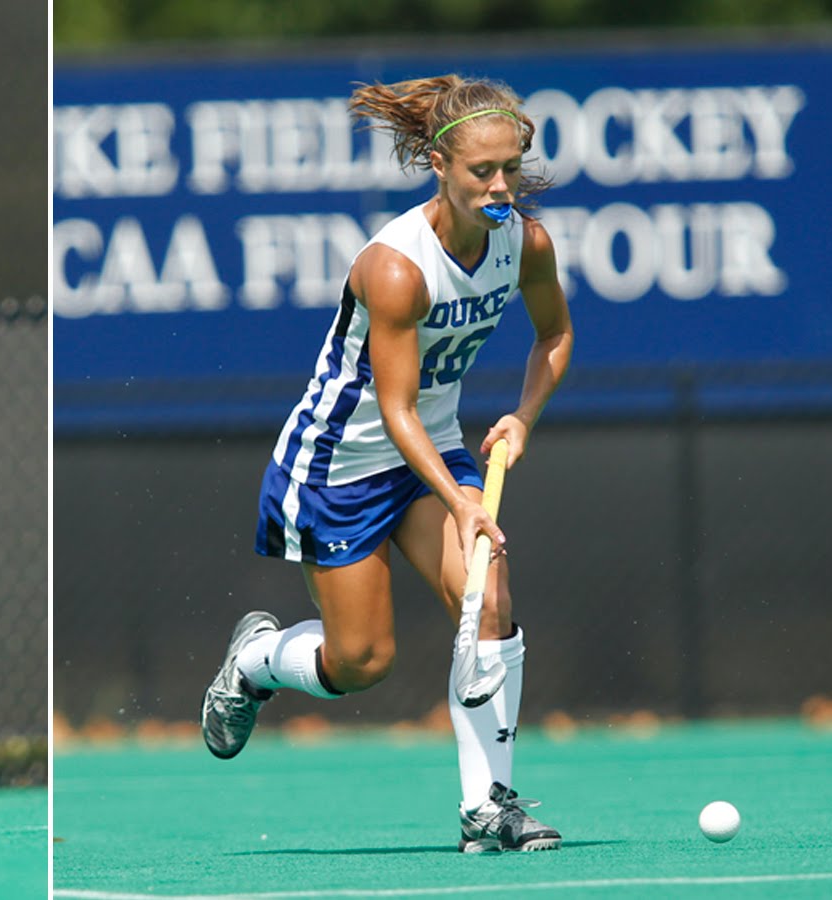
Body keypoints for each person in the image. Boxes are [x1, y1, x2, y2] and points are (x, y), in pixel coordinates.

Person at [199, 75, 574, 853]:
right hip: (336, 465)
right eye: (482, 172)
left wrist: (522, 418)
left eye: (511, 167)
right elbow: (394, 408)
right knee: (362, 660)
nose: (501, 186)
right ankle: (259, 661)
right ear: (439, 163)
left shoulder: (525, 242)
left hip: (429, 451)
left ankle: (488, 808)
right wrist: (467, 503)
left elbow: (554, 336)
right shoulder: (396, 268)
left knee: (489, 593)